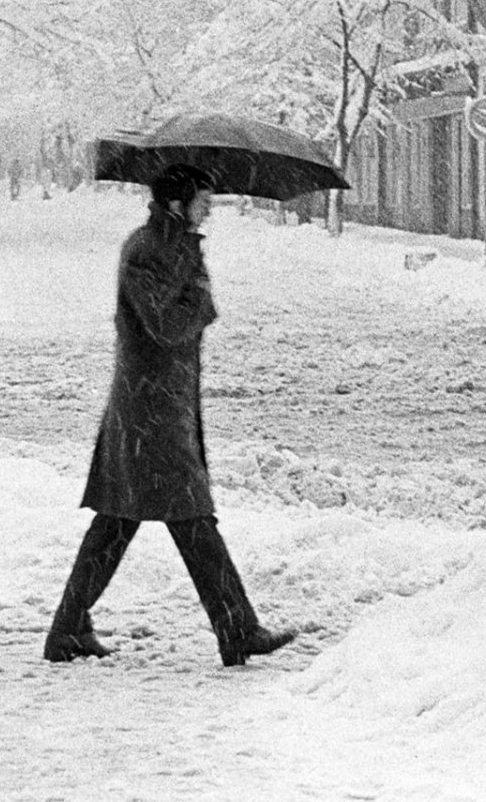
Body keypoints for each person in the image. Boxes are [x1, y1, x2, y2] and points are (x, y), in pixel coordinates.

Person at [44, 165, 296, 667]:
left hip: (159, 406)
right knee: (192, 521)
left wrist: (193, 265)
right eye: (205, 196)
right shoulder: (144, 249)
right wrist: (201, 298)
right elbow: (165, 325)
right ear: (179, 201)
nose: (211, 206)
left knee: (117, 523)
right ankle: (237, 628)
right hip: (149, 413)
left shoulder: (175, 245)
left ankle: (68, 629)